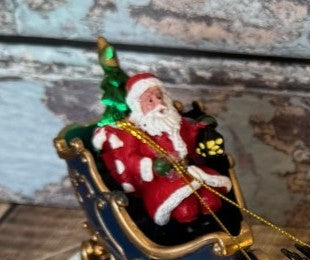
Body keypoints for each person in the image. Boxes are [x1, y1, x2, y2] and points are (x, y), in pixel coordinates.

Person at [93, 72, 233, 226]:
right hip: (161, 182)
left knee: (211, 200)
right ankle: (189, 227)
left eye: (159, 97)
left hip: (190, 170)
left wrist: (203, 126)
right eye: (150, 100)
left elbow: (190, 132)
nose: (158, 102)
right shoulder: (133, 132)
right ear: (138, 106)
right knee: (186, 209)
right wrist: (153, 167)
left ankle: (212, 223)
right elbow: (129, 158)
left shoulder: (174, 121)